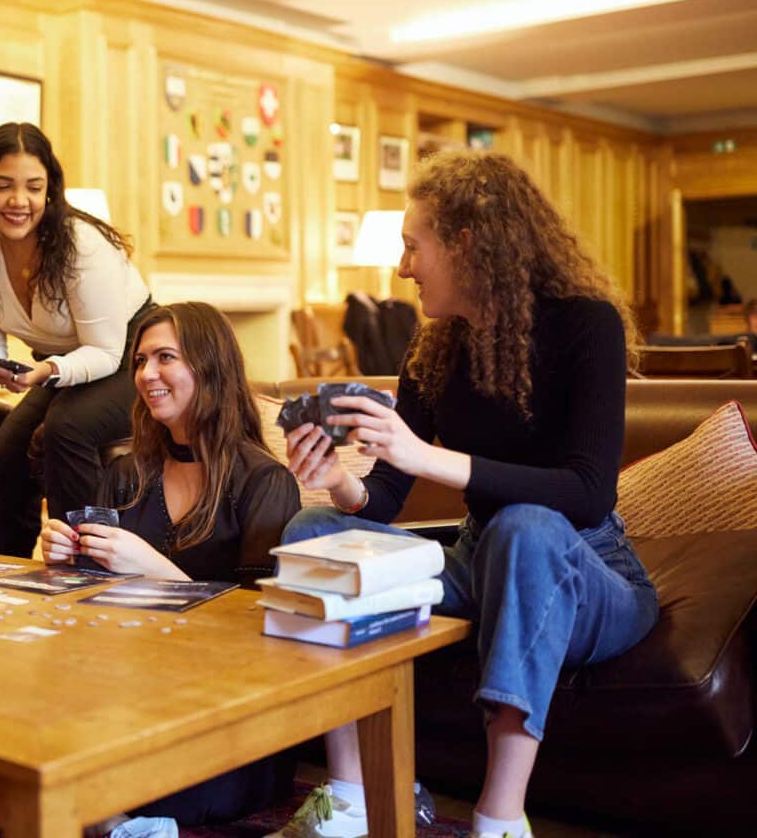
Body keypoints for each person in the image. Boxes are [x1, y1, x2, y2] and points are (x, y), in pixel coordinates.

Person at [271, 151, 660, 838]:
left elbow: (590, 492)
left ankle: (499, 821)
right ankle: (352, 798)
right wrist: (339, 481)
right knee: (313, 529)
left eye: (412, 246)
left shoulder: (585, 324)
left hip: (587, 570)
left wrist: (430, 456)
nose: (401, 268)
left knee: (526, 528)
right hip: (479, 562)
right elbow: (384, 496)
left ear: (467, 244)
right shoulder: (437, 346)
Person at [40, 301, 301, 834]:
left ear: (209, 368)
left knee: (158, 786)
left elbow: (267, 632)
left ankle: (108, 816)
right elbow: (90, 611)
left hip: (228, 707)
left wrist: (157, 569)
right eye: (140, 361)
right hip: (130, 694)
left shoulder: (264, 483)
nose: (146, 375)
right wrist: (63, 559)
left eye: (165, 358)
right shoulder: (124, 473)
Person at [0, 122, 153, 556]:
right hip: (62, 367)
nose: (18, 201)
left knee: (66, 429)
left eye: (33, 187)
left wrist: (45, 372)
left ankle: (86, 564)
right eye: (3, 185)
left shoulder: (81, 243)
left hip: (131, 358)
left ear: (50, 188)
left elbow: (104, 350)